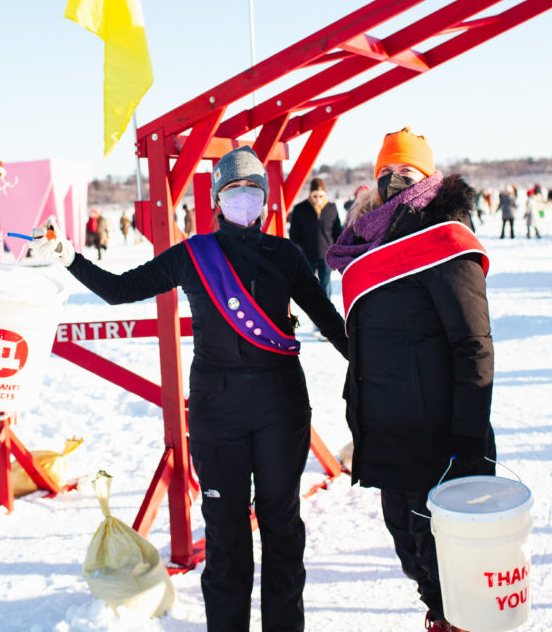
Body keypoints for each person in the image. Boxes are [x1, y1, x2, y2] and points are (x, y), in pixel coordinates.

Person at [31, 146, 348, 631]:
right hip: (216, 411)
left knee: (283, 529)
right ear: (217, 200)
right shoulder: (192, 256)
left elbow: (331, 323)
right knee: (225, 536)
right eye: (233, 190)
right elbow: (119, 290)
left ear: (264, 199)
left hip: (280, 408)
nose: (244, 198)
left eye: (253, 190)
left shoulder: (286, 254)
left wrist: (376, 367)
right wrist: (69, 257)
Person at [326, 127, 496, 632]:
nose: (396, 180)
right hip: (388, 436)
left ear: (428, 177)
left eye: (408, 172)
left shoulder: (444, 240)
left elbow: (474, 347)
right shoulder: (367, 243)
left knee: (451, 565)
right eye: (386, 172)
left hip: (439, 439)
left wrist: (467, 444)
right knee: (414, 557)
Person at [288, 176, 342, 296]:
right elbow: (294, 236)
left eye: (321, 196)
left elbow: (338, 232)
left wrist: (336, 253)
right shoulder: (300, 209)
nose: (318, 199)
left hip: (326, 256)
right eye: (315, 196)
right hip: (307, 256)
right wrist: (300, 253)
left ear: (325, 194)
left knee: (326, 290)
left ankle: (327, 313)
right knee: (309, 290)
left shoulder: (331, 208)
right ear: (310, 194)